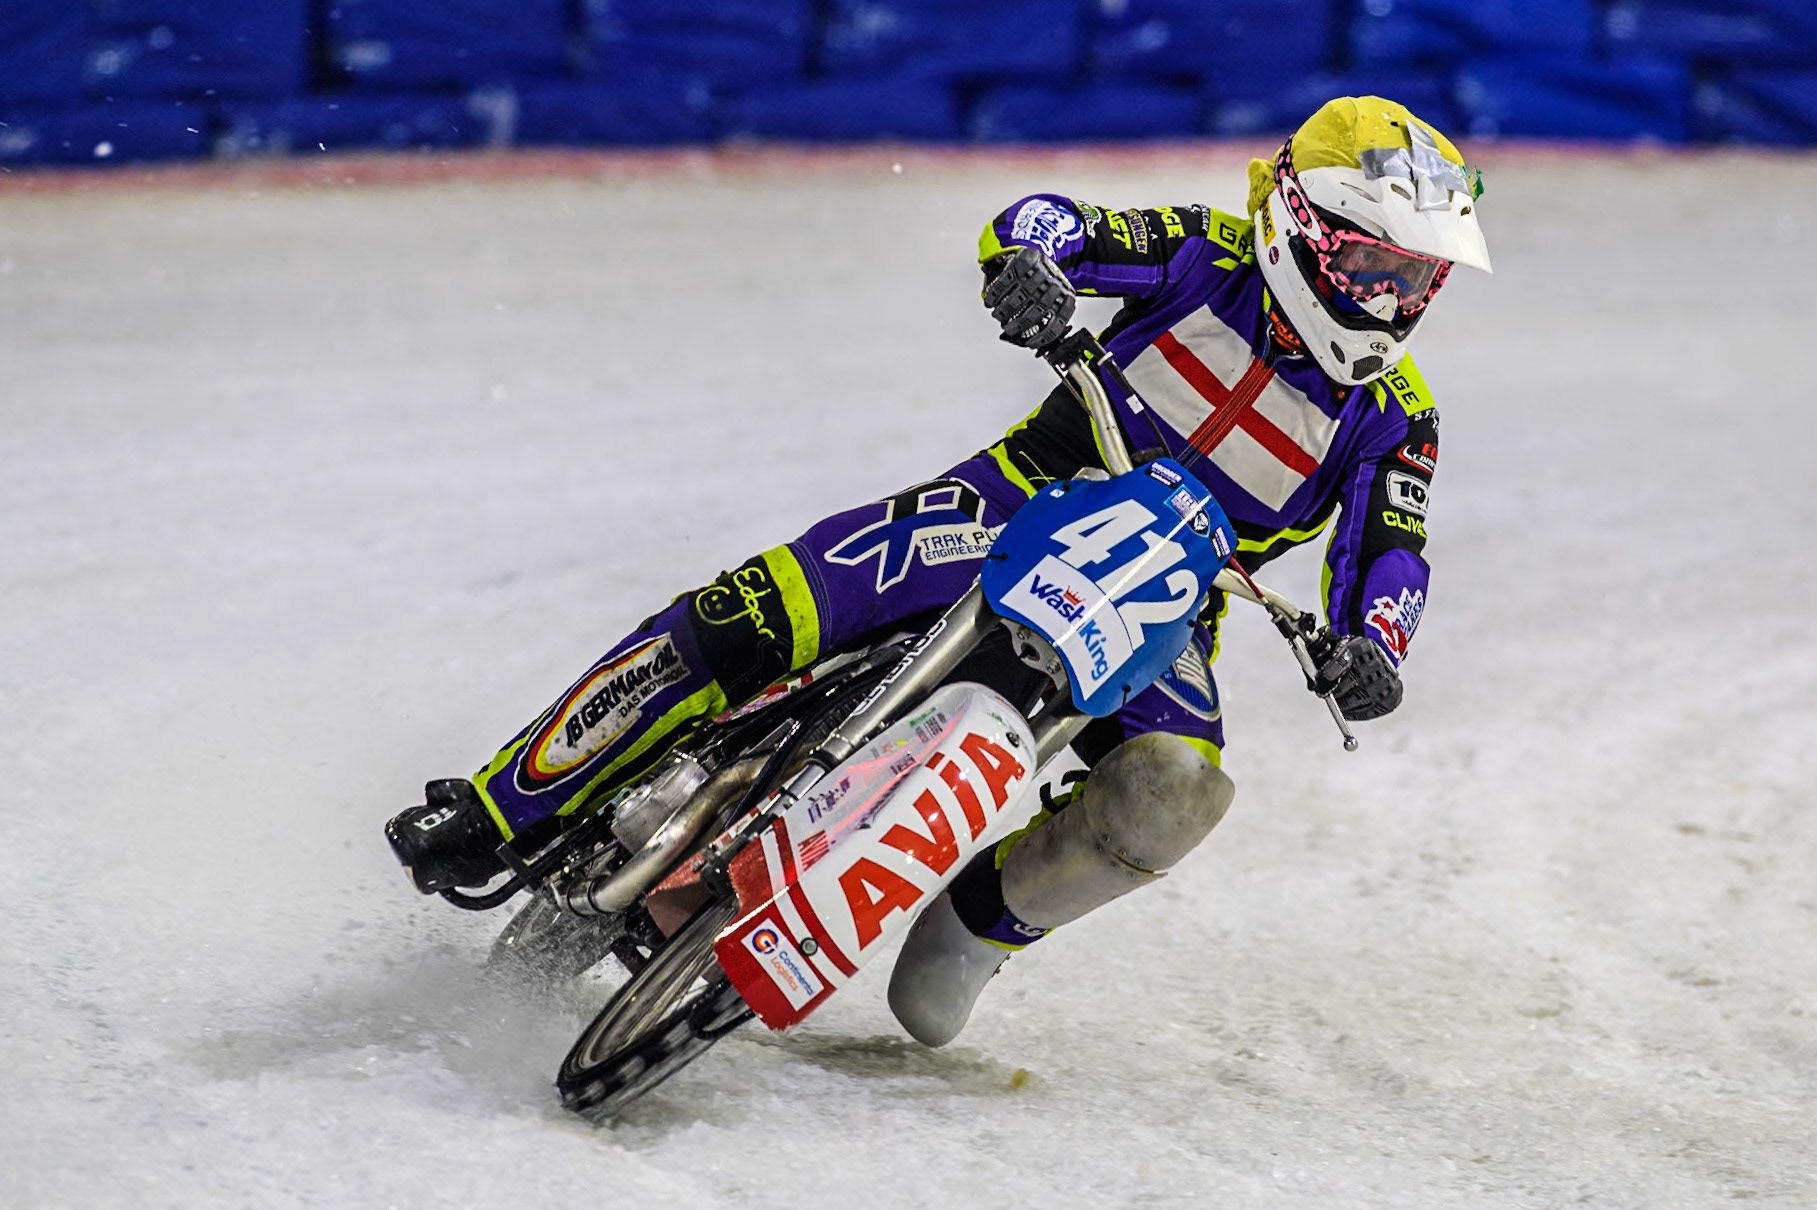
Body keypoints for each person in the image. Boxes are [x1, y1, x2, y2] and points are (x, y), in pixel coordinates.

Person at [386, 96, 1490, 1046]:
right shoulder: (1199, 250)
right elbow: (1050, 219)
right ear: (1301, 226)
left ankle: (969, 934)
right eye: (1375, 264)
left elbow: (1392, 547)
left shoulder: (1397, 418)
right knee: (748, 617)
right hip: (1011, 496)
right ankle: (495, 809)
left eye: (1416, 279)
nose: (1392, 299)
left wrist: (1372, 647)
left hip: (1165, 605)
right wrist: (1027, 266)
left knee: (1174, 788)